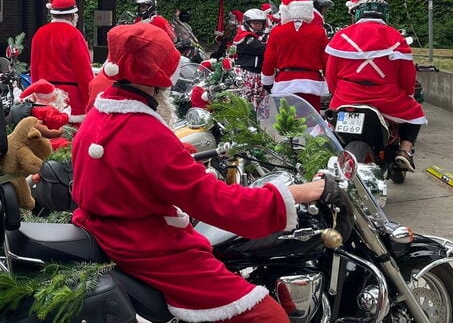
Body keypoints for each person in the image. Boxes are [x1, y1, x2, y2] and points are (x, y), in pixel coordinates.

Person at [72, 22, 325, 323]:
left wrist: (180, 158)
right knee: (267, 316)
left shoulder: (98, 116)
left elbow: (128, 167)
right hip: (147, 245)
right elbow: (212, 201)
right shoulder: (145, 131)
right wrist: (292, 194)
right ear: (161, 77)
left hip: (110, 235)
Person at [325, 0, 426, 172]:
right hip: (386, 98)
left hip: (346, 97)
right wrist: (409, 93)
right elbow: (407, 77)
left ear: (358, 12)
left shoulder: (342, 36)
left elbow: (331, 75)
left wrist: (336, 93)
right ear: (384, 13)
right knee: (415, 114)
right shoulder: (395, 37)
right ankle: (404, 151)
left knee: (329, 128)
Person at [29, 0, 94, 122]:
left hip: (44, 96)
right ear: (72, 15)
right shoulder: (74, 35)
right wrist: (90, 101)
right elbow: (83, 72)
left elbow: (34, 69)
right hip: (71, 100)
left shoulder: (39, 34)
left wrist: (36, 95)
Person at [261, 0, 329, 112]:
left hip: (285, 81)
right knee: (312, 121)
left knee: (287, 122)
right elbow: (326, 60)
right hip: (311, 82)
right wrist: (330, 81)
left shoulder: (277, 31)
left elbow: (269, 59)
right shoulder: (318, 31)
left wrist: (267, 81)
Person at [232, 8, 269, 114]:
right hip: (248, 74)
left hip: (256, 74)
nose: (257, 26)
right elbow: (262, 49)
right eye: (255, 23)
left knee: (259, 103)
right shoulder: (246, 37)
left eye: (260, 23)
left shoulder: (259, 36)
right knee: (249, 104)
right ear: (248, 23)